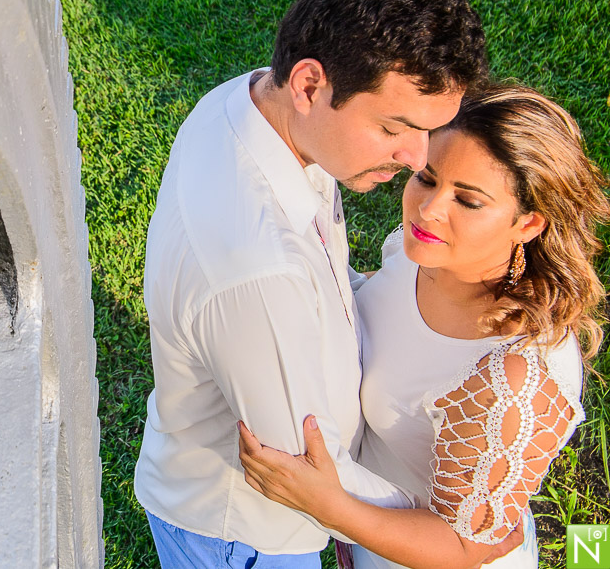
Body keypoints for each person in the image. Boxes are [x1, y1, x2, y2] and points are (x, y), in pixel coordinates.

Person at [133, 0, 501, 568]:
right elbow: (306, 475)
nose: (418, 158)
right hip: (247, 535)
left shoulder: (252, 104)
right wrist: (449, 524)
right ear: (310, 85)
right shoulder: (257, 272)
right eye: (395, 128)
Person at [238, 85, 610, 568]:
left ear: (528, 224)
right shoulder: (422, 254)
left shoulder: (515, 379)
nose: (430, 209)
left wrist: (327, 506)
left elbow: (465, 547)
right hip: (370, 533)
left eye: (468, 201)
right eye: (428, 179)